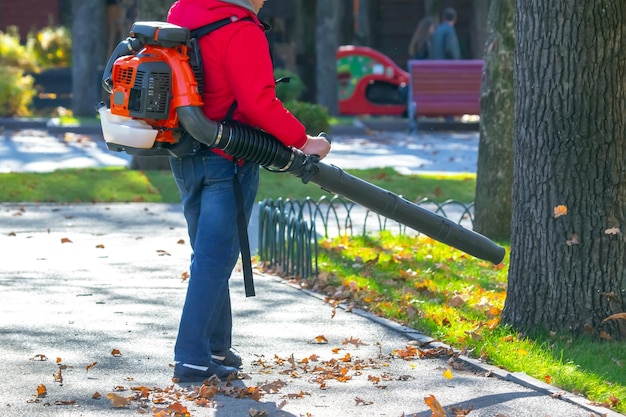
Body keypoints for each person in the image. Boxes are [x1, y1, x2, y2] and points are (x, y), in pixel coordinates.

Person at [166, 0, 331, 383]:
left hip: (184, 152)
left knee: (209, 254)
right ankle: (191, 357)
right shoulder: (241, 29)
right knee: (214, 258)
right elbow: (258, 103)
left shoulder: (183, 11)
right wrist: (304, 141)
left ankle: (216, 346)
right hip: (228, 157)